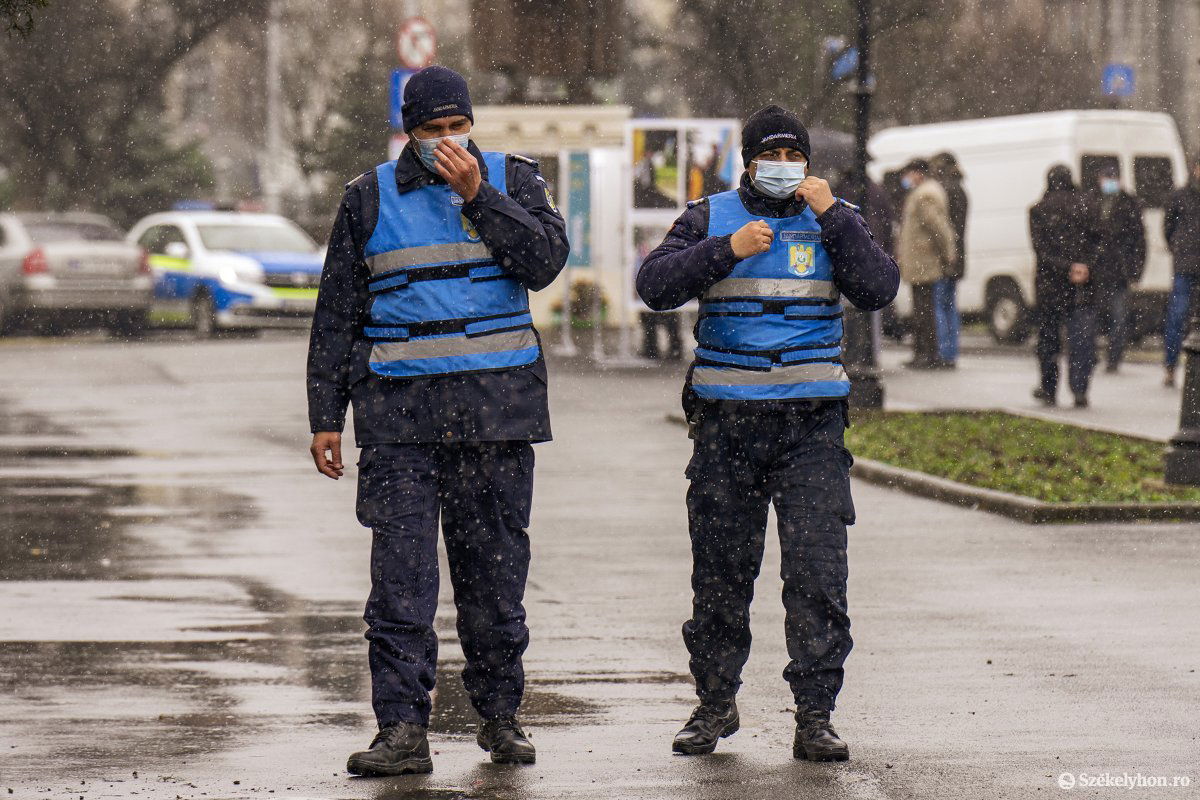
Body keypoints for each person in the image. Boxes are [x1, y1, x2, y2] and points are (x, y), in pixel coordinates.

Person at [306, 65, 569, 776]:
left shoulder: (513, 181)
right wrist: (326, 415)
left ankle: (501, 718)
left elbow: (544, 261)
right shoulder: (367, 198)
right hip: (400, 422)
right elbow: (337, 313)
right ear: (410, 132)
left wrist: (479, 197)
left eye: (459, 128)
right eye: (433, 131)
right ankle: (401, 729)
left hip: (497, 417)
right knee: (401, 583)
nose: (448, 141)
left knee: (494, 579)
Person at [636, 105, 899, 762]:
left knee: (816, 571)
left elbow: (878, 287)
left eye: (794, 158)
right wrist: (726, 251)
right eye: (771, 157)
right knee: (721, 573)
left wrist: (835, 216)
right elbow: (655, 285)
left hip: (810, 428)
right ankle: (716, 703)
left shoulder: (835, 221)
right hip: (727, 428)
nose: (783, 169)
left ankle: (815, 715)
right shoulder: (709, 217)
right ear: (747, 162)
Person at [1029, 165, 1095, 408]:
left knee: (1048, 339)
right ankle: (1079, 388)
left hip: (1050, 285)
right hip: (1081, 286)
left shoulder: (1039, 210)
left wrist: (1066, 266)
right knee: (1081, 340)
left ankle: (1049, 388)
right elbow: (1098, 241)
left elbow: (1041, 251)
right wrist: (1083, 266)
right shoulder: (1087, 207)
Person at [896, 158, 957, 369]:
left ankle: (927, 353)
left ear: (918, 173)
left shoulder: (925, 195)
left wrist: (947, 254)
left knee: (924, 311)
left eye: (909, 173)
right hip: (922, 261)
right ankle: (924, 352)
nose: (906, 178)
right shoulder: (925, 191)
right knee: (923, 310)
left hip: (924, 261)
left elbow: (938, 228)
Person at [1084, 163, 1145, 373]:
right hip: (1097, 270)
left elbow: (1139, 239)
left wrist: (1135, 269)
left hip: (1119, 271)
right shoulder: (1092, 201)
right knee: (1095, 317)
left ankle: (1113, 357)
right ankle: (1091, 355)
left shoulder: (1129, 204)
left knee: (1118, 317)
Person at [1163, 161, 1200, 387]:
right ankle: (1170, 364)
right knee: (1177, 316)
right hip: (1185, 265)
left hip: (1187, 261)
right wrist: (1179, 248)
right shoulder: (1180, 196)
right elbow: (1168, 228)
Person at [930, 152, 968, 367]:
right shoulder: (960, 188)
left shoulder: (946, 190)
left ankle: (944, 352)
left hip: (947, 257)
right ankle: (951, 351)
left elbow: (945, 228)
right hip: (957, 256)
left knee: (940, 305)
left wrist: (947, 255)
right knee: (950, 305)